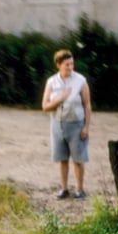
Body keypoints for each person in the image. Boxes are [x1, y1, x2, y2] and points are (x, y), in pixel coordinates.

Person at [41, 48, 93, 199]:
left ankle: (80, 189)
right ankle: (64, 188)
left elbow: (87, 105)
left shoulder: (80, 81)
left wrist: (86, 127)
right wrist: (60, 98)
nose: (70, 67)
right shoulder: (51, 82)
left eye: (72, 64)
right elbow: (45, 106)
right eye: (66, 65)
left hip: (76, 124)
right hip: (57, 124)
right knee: (62, 158)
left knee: (78, 158)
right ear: (58, 65)